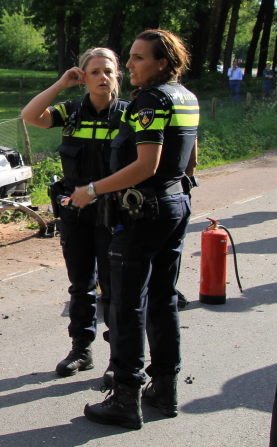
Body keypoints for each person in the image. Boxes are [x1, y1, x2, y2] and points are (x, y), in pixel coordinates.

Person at [70, 29, 199, 430]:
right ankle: (165, 388)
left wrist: (90, 190)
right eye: (129, 57)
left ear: (162, 63)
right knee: (162, 298)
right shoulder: (186, 97)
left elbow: (146, 165)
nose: (129, 65)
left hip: (144, 209)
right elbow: (191, 160)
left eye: (139, 58)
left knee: (126, 303)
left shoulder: (151, 99)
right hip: (176, 203)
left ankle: (126, 398)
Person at [21, 48, 129, 382]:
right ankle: (81, 350)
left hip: (114, 212)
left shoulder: (129, 113)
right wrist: (61, 84)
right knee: (81, 285)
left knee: (114, 288)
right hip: (76, 211)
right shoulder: (71, 112)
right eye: (94, 71)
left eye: (108, 71)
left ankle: (119, 357)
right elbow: (30, 114)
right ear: (83, 77)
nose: (102, 77)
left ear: (117, 76)